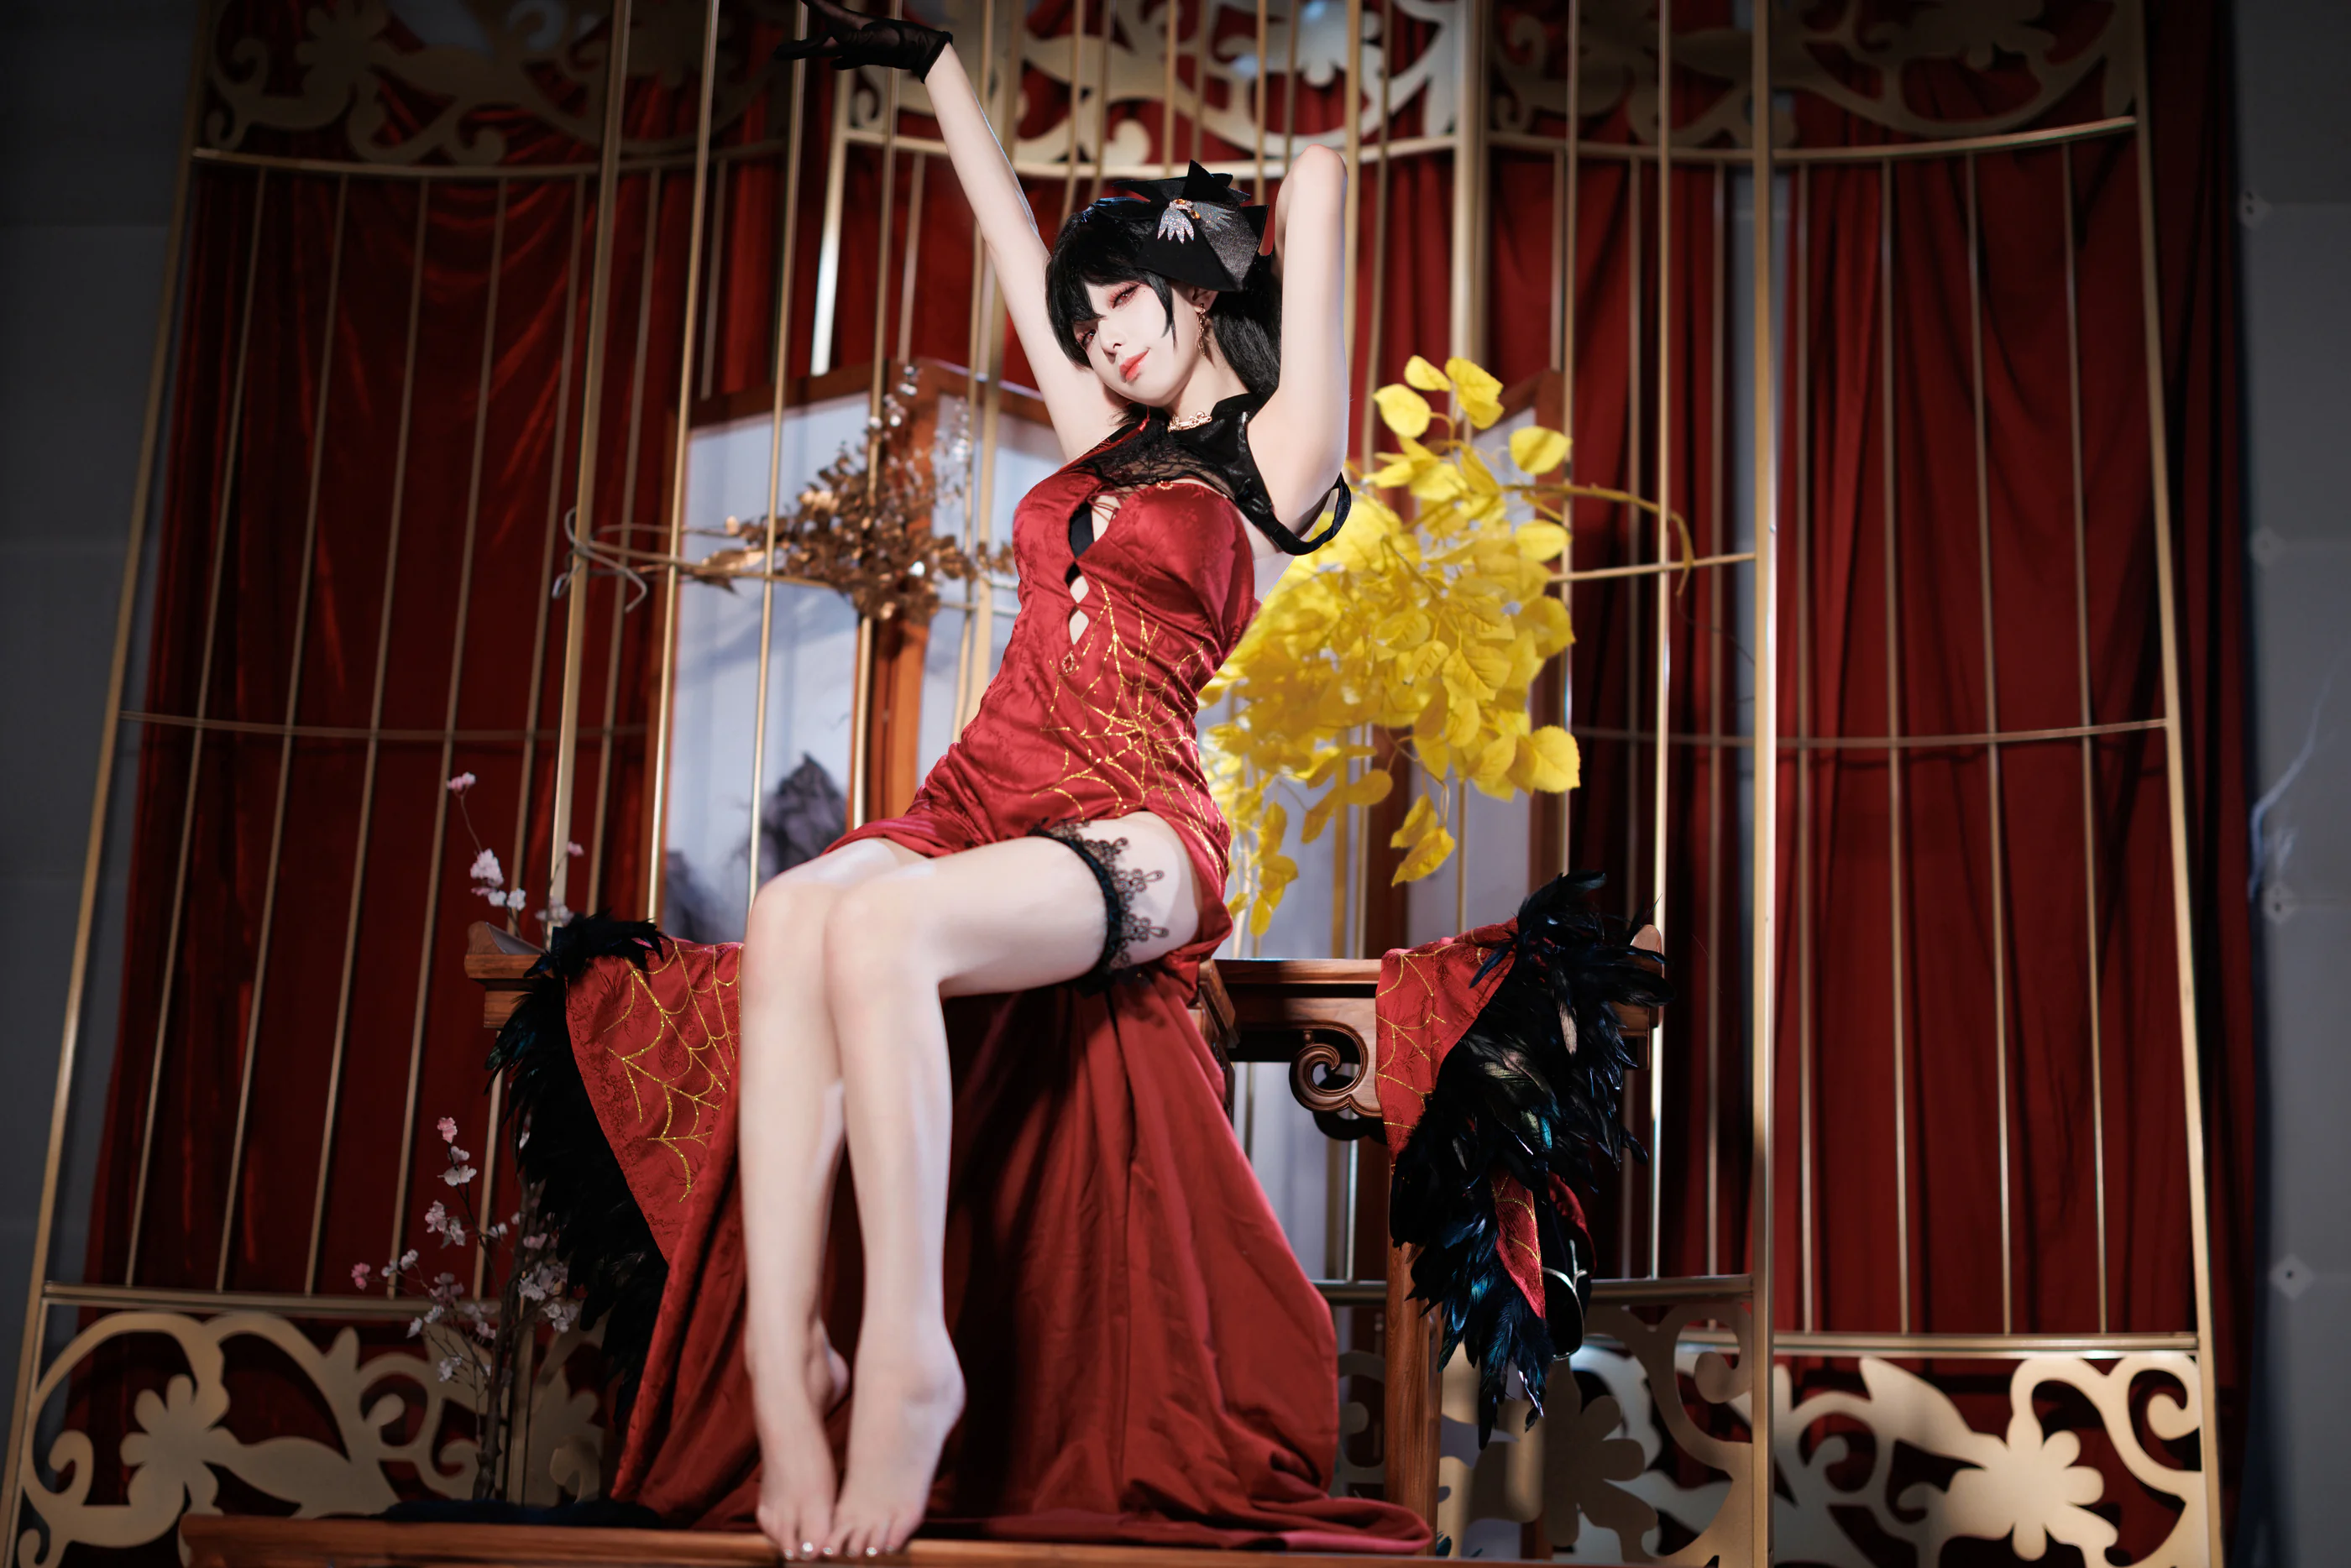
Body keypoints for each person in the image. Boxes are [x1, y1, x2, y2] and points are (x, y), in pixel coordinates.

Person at [672, 2, 1416, 1560]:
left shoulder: (1271, 457)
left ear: (1199, 288)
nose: (1101, 339)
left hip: (1137, 821)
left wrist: (1224, 212)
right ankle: (784, 1358)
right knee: (796, 909)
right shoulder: (1099, 444)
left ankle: (907, 1358)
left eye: (1127, 301)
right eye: (1088, 327)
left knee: (883, 933)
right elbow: (1014, 244)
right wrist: (939, 68)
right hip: (983, 783)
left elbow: (1327, 179)